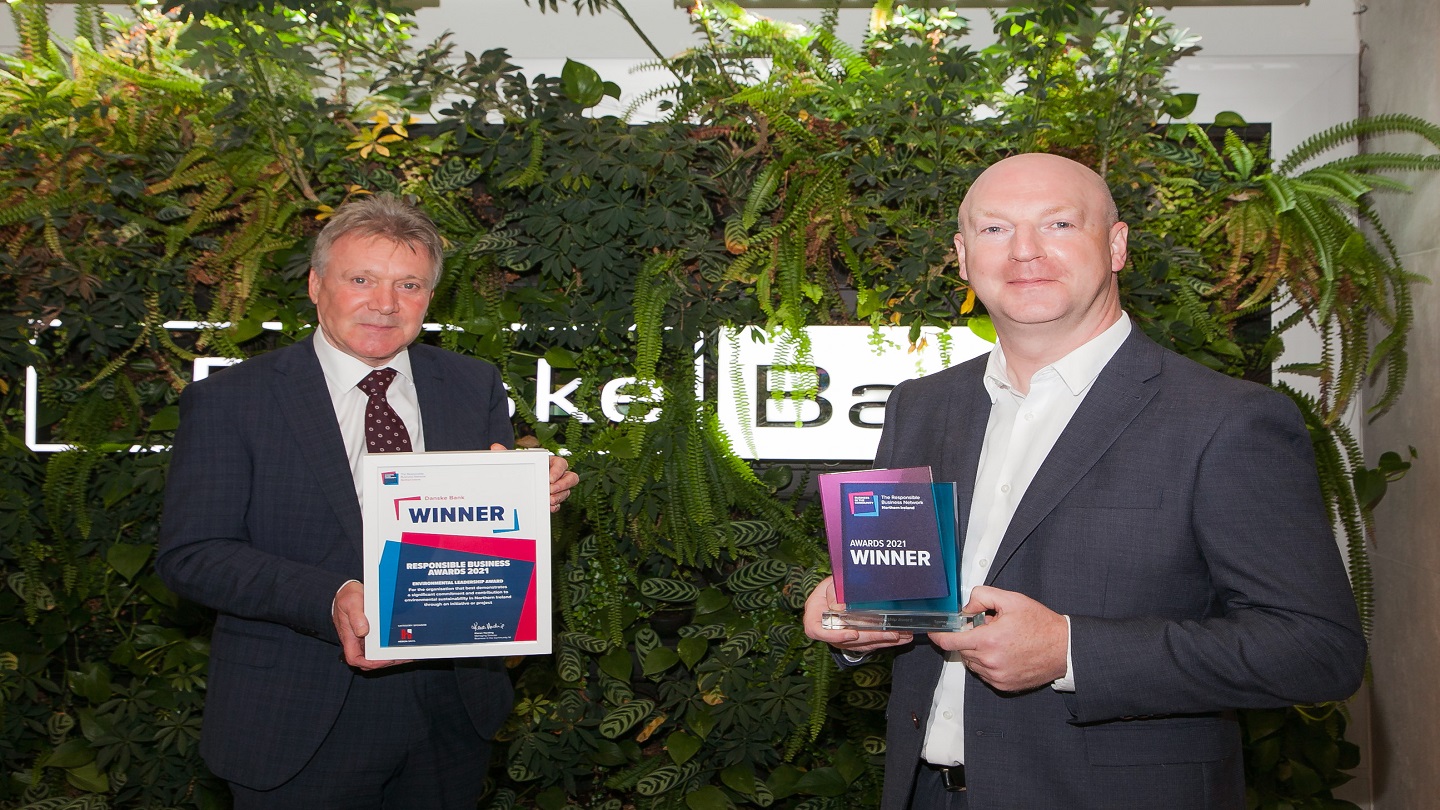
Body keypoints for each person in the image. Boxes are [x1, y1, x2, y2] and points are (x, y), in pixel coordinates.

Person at [803, 153, 1366, 809]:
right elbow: (904, 592)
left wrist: (1071, 652)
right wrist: (861, 618)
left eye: (1060, 224)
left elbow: (1316, 651)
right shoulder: (921, 406)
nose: (1025, 252)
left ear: (1117, 244)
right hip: (927, 792)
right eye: (994, 230)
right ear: (961, 256)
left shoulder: (1227, 420)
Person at [157, 194, 578, 809]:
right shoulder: (231, 401)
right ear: (316, 284)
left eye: (408, 284)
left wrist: (529, 505)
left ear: (429, 300)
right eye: (362, 279)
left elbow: (479, 535)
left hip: (448, 714)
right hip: (298, 715)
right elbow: (192, 554)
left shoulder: (470, 384)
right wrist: (328, 598)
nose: (385, 303)